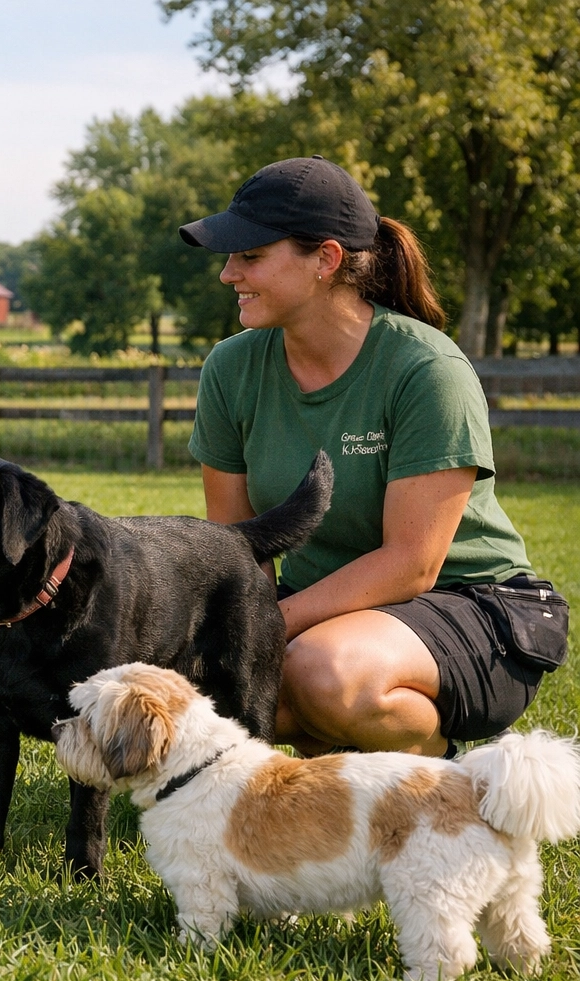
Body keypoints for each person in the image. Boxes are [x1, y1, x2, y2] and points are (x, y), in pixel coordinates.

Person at [179, 156, 569, 758]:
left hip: (468, 604)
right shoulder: (230, 369)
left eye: (250, 256)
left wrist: (265, 631)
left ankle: (441, 778)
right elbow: (238, 545)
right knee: (204, 685)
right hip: (325, 618)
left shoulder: (425, 369)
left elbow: (412, 564)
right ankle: (349, 785)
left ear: (326, 260)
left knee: (322, 674)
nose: (229, 274)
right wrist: (242, 634)